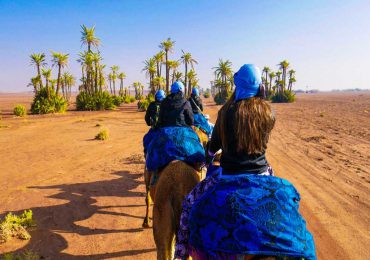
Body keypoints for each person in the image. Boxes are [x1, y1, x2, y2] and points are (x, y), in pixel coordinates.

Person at [175, 64, 316, 260]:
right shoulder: (269, 113)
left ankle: (180, 254)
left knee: (189, 204)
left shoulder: (226, 112)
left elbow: (214, 145)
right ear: (259, 86)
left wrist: (208, 154)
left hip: (228, 175)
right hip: (263, 173)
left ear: (237, 84)